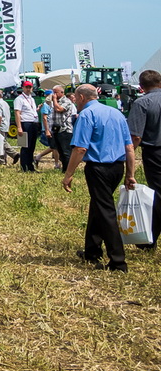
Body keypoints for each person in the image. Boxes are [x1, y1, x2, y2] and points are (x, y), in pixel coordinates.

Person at [62, 84, 136, 272]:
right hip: (117, 168)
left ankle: (118, 261)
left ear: (80, 97)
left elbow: (80, 148)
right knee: (98, 206)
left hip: (98, 168)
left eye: (75, 99)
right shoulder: (117, 113)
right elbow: (129, 147)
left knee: (105, 211)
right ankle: (92, 251)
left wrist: (68, 174)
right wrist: (130, 174)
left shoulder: (87, 115)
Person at [126, 69, 161, 250]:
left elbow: (136, 137)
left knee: (157, 194)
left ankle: (149, 240)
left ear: (141, 87)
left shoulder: (142, 103)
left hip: (155, 152)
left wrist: (128, 157)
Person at [41, 86, 77, 170]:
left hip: (65, 129)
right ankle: (64, 168)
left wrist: (54, 100)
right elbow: (46, 104)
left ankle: (68, 170)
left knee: (66, 152)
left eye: (56, 92)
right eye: (53, 92)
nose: (54, 94)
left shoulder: (66, 101)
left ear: (62, 92)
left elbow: (59, 109)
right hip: (56, 129)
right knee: (59, 150)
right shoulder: (54, 101)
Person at [14, 80, 40, 172]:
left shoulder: (31, 99)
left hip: (33, 122)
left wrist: (37, 109)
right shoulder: (19, 99)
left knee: (32, 146)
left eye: (30, 87)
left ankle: (30, 166)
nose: (28, 89)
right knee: (26, 146)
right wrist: (19, 127)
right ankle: (24, 166)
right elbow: (17, 112)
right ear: (23, 88)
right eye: (27, 87)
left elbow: (30, 110)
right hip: (26, 123)